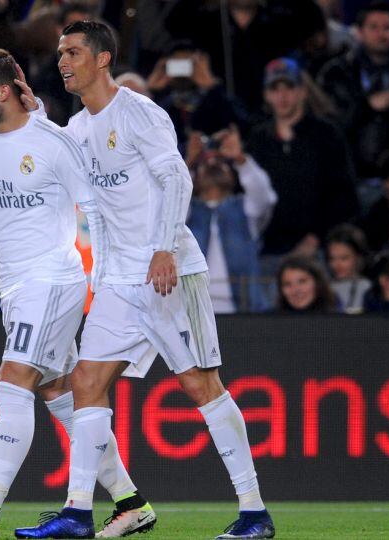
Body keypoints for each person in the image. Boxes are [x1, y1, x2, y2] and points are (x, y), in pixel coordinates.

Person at [14, 21, 274, 539]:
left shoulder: (139, 112)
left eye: (73, 52)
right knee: (86, 383)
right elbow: (55, 153)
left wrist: (164, 248)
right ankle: (77, 513)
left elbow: (177, 177)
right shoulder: (79, 127)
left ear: (102, 59)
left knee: (201, 386)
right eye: (61, 53)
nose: (62, 62)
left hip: (168, 271)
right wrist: (34, 112)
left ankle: (254, 512)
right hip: (117, 278)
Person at [0, 49, 149, 539]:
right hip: (14, 285)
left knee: (14, 379)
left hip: (53, 281)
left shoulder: (52, 142)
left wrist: (103, 281)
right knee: (58, 391)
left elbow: (94, 210)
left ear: (3, 91)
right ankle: (131, 502)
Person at [247, 57, 358, 275]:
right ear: (266, 95)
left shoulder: (326, 135)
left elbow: (343, 194)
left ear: (303, 92)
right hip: (267, 252)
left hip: (317, 252)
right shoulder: (258, 139)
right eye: (275, 89)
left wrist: (316, 237)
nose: (282, 96)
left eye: (289, 87)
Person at [317, 1, 389, 180]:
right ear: (359, 32)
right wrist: (366, 106)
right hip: (349, 175)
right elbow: (328, 126)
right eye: (374, 27)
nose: (381, 34)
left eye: (387, 28)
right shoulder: (334, 73)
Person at [185, 130, 276, 313]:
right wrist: (187, 163)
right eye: (205, 163)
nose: (212, 165)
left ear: (232, 174)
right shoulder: (186, 212)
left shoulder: (245, 209)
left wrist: (240, 159)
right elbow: (166, 205)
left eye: (221, 163)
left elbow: (265, 197)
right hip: (194, 312)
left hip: (243, 310)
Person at [325, 224, 372, 313]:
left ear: (358, 258)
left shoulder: (368, 289)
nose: (337, 265)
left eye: (344, 258)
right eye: (332, 258)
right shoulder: (324, 289)